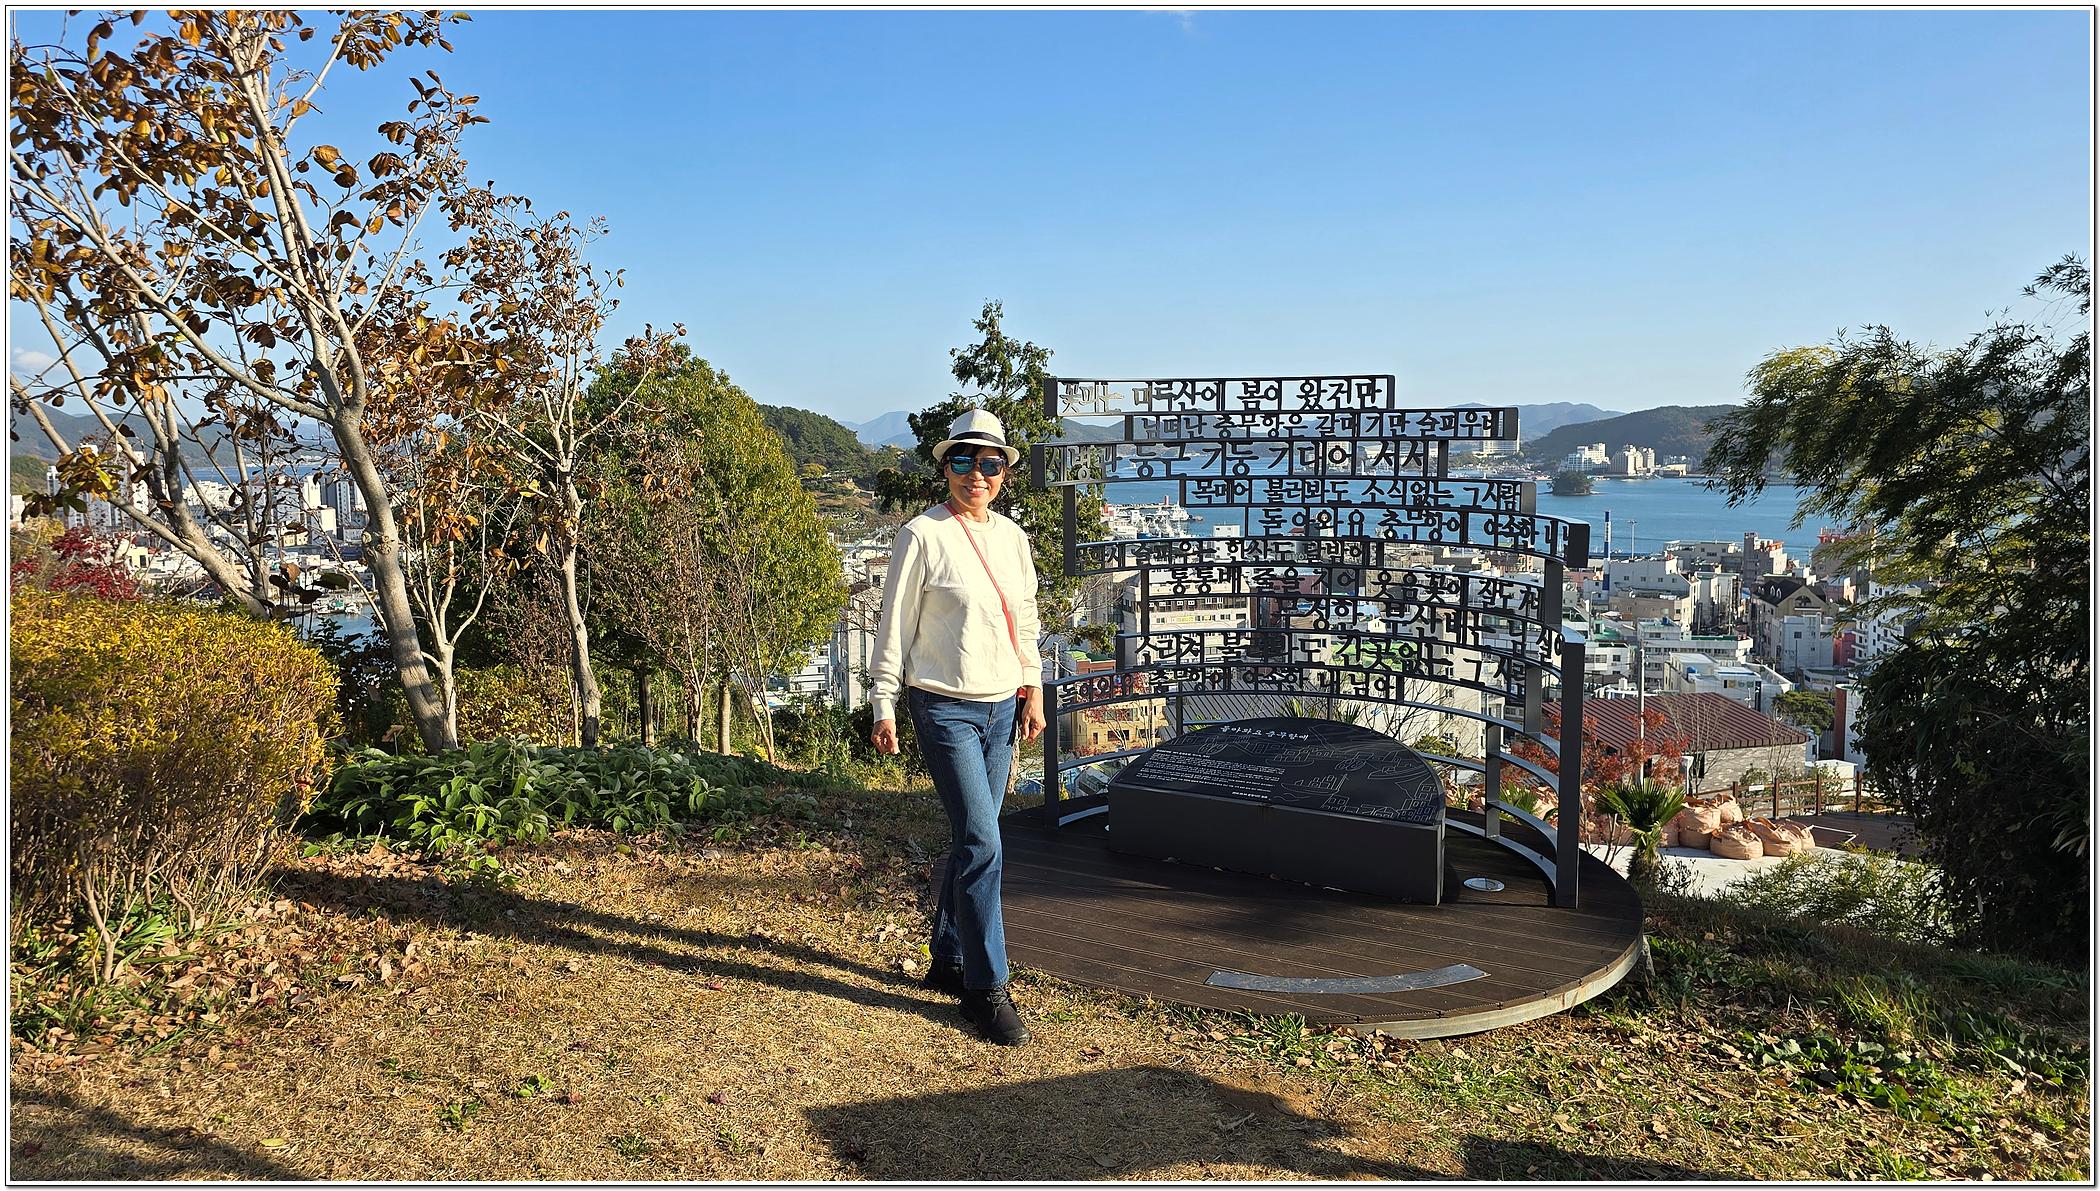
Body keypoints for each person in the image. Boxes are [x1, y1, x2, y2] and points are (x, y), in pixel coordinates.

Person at [868, 408, 1045, 1047]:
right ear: (945, 468)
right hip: (943, 706)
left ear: (1004, 473)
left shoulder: (1014, 539)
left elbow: (1026, 618)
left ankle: (948, 956)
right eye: (963, 461)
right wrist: (883, 703)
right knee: (983, 841)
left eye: (989, 463)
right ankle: (986, 988)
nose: (977, 474)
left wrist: (1033, 687)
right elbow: (894, 625)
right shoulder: (921, 535)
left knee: (976, 840)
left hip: (1002, 706)